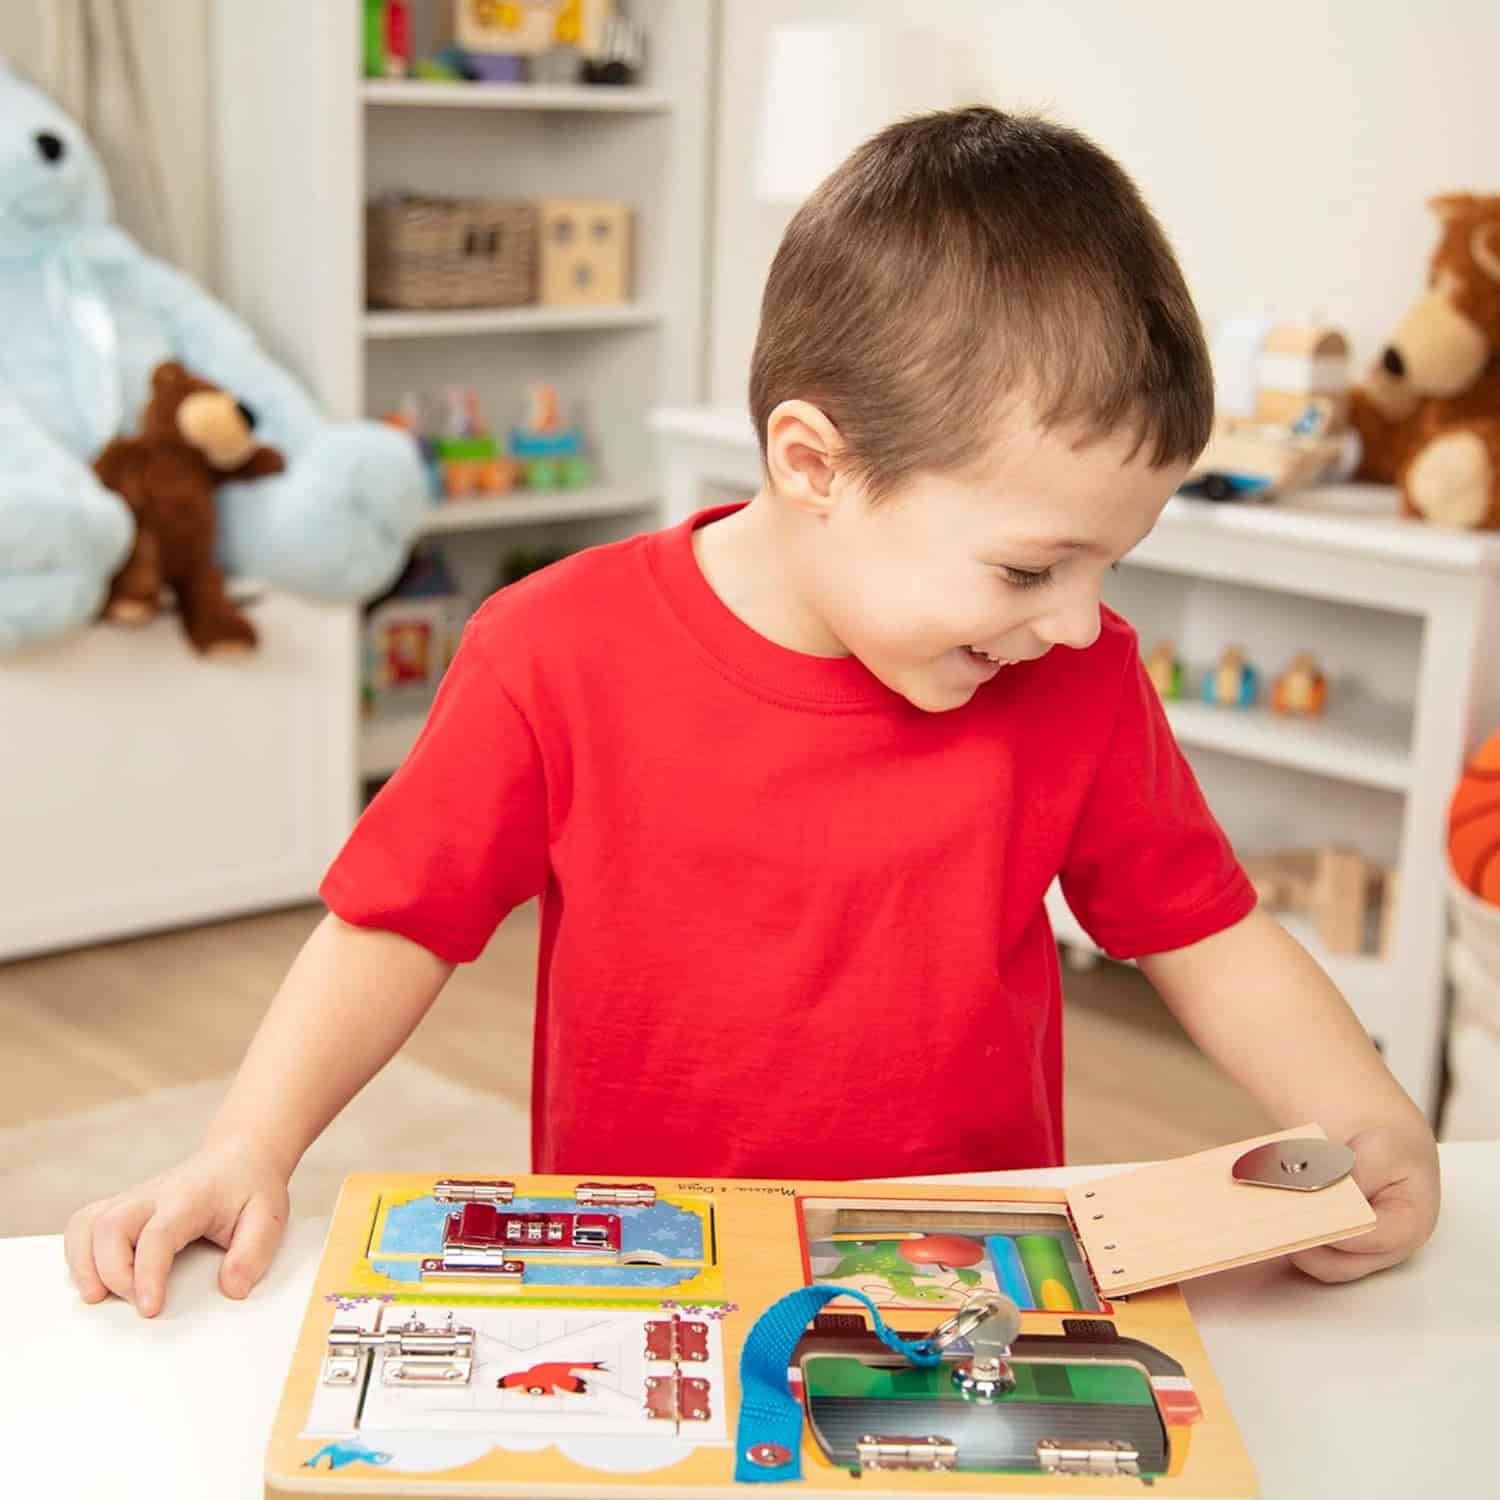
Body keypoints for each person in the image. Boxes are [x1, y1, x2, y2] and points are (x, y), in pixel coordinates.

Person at [65, 108, 1439, 1318]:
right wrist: (250, 1144)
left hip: (968, 1278)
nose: (1081, 621)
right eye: (1031, 567)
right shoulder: (552, 651)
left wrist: (1372, 1121)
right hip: (644, 1266)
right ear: (812, 462)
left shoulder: (1071, 673)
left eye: (1109, 565)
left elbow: (1209, 932)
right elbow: (394, 925)